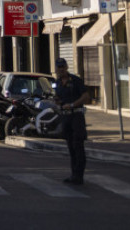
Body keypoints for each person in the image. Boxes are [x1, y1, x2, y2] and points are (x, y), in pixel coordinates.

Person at [54, 57, 90, 185]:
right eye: (59, 67)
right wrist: (58, 102)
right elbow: (58, 97)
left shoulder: (75, 81)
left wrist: (73, 104)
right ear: (56, 69)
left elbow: (86, 96)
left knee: (78, 145)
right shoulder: (57, 83)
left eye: (63, 66)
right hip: (66, 117)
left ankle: (79, 176)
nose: (61, 69)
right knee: (70, 146)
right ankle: (73, 174)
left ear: (67, 67)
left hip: (76, 116)